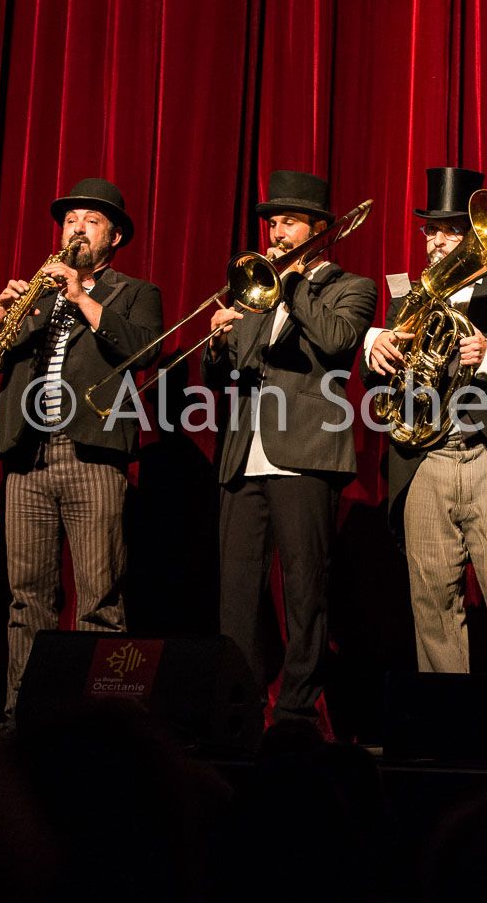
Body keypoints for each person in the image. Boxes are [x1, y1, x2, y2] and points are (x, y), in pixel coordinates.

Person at [0, 177, 162, 721]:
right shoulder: (36, 292)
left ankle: (100, 724)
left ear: (114, 237)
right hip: (28, 455)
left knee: (99, 598)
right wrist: (0, 318)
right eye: (70, 220)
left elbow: (144, 349)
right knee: (27, 596)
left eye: (91, 221)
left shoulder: (134, 292)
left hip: (92, 455)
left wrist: (81, 297)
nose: (77, 228)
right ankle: (22, 714)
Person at [363, 166, 487, 675]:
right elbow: (378, 386)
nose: (437, 241)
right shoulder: (409, 297)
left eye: (450, 231)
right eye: (430, 230)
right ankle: (445, 719)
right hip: (424, 462)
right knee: (433, 609)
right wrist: (374, 350)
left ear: (475, 237)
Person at [204, 169, 376, 727]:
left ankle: (298, 709)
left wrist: (296, 284)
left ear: (319, 230)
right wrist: (218, 343)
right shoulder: (253, 291)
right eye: (273, 223)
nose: (276, 233)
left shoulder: (352, 287)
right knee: (237, 591)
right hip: (243, 453)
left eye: (289, 222)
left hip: (306, 453)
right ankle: (238, 702)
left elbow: (337, 341)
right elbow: (226, 375)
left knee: (305, 587)